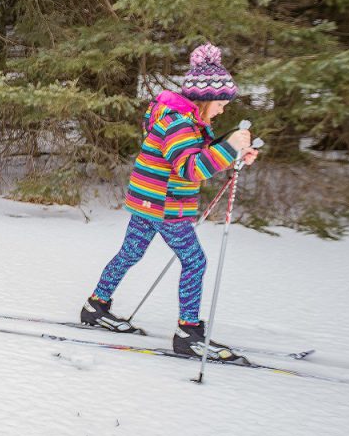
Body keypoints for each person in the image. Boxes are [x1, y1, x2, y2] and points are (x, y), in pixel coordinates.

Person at [78, 43, 259, 359]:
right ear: (204, 98)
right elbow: (191, 168)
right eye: (221, 102)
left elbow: (196, 155)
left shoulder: (186, 121)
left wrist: (234, 151)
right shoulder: (177, 122)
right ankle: (188, 333)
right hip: (164, 204)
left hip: (150, 199)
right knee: (195, 261)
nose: (224, 108)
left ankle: (96, 306)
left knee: (131, 252)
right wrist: (229, 148)